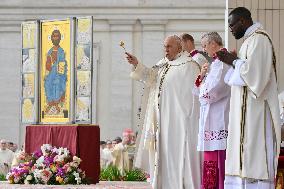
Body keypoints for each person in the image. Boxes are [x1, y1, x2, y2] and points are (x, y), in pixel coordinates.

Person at [216, 7, 281, 188]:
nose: (231, 29)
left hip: (257, 112)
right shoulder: (249, 42)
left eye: (232, 25)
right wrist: (231, 62)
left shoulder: (260, 40)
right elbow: (241, 75)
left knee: (255, 157)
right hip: (246, 113)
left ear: (243, 21)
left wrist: (233, 61)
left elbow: (256, 77)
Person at [125, 35, 201, 189]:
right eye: (164, 46)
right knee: (161, 155)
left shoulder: (189, 66)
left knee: (177, 156)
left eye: (169, 46)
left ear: (179, 47)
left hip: (178, 122)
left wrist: (186, 119)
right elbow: (150, 77)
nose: (166, 50)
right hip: (160, 121)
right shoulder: (162, 64)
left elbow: (192, 97)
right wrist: (137, 63)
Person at [193, 32, 230, 189]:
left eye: (205, 45)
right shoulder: (215, 64)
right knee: (210, 159)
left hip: (219, 119)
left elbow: (213, 91)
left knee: (218, 159)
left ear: (214, 44)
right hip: (211, 119)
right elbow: (199, 92)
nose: (203, 49)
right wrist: (202, 76)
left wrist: (203, 90)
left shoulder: (223, 62)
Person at [44, 30, 67, 114]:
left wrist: (57, 66)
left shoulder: (61, 51)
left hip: (59, 73)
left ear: (60, 38)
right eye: (54, 36)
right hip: (51, 72)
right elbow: (47, 64)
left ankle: (56, 104)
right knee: (47, 83)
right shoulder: (50, 51)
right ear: (52, 38)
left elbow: (63, 63)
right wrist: (48, 65)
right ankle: (50, 103)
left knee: (57, 83)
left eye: (57, 36)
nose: (56, 38)